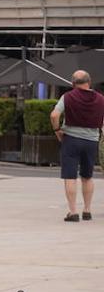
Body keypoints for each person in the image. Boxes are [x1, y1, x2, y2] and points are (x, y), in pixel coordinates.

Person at [51, 70, 104, 222]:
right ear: (90, 82)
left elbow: (54, 115)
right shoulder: (101, 99)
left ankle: (73, 212)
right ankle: (87, 210)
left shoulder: (67, 97)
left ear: (73, 84)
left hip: (71, 140)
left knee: (70, 176)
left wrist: (57, 131)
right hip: (92, 141)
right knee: (87, 176)